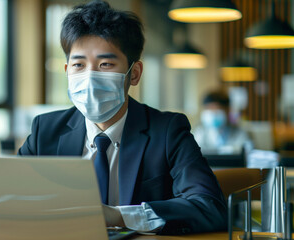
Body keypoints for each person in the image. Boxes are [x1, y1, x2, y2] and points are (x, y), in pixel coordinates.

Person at [18, 0, 227, 235]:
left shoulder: (167, 131)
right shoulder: (45, 131)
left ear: (134, 73)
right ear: (67, 71)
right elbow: (9, 199)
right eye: (79, 65)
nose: (90, 77)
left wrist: (118, 216)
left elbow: (210, 207)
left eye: (105, 64)